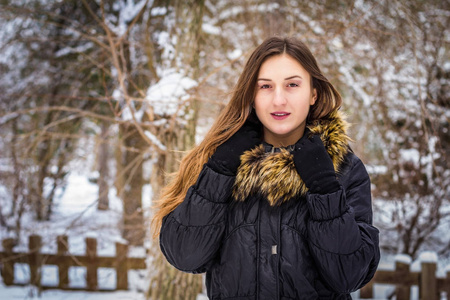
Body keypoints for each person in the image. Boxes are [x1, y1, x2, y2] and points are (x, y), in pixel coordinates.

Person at [152, 36, 380, 300]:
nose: (279, 100)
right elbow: (185, 256)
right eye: (266, 86)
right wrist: (218, 173)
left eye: (292, 85)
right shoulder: (216, 163)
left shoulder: (345, 169)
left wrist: (325, 189)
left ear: (313, 94)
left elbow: (350, 275)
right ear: (251, 94)